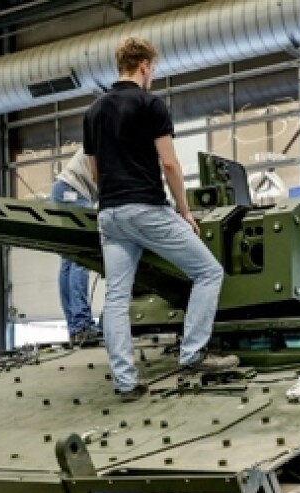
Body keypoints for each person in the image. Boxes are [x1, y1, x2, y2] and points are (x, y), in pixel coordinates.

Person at [84, 37, 238, 402]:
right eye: (153, 68)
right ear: (144, 66)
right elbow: (169, 163)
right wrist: (184, 211)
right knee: (208, 272)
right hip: (146, 208)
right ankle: (193, 354)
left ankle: (125, 383)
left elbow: (94, 172)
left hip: (109, 214)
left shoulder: (93, 111)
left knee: (117, 299)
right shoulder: (150, 104)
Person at [50, 148, 101, 344]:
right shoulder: (112, 134)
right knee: (82, 257)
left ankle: (75, 326)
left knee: (69, 260)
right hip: (73, 191)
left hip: (63, 189)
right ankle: (81, 325)